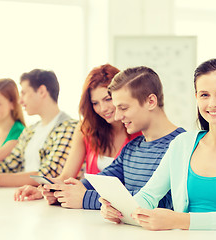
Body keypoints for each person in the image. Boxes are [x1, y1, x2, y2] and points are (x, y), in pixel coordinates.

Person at [101, 58, 216, 240]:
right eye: (204, 95)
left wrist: (179, 220)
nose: (213, 103)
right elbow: (148, 195)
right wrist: (120, 210)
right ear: (196, 98)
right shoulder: (182, 144)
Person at [39, 66, 185, 209]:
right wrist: (62, 191)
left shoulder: (183, 145)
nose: (117, 116)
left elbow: (163, 201)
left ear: (150, 102)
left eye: (123, 108)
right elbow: (101, 181)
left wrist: (85, 198)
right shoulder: (132, 148)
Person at [14, 64, 141, 201]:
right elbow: (66, 177)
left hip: (119, 211)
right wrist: (42, 190)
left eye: (107, 99)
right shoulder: (87, 129)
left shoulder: (139, 131)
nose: (103, 108)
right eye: (95, 103)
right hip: (86, 210)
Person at [0, 69, 79, 188]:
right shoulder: (30, 130)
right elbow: (9, 165)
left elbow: (47, 174)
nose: (20, 101)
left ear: (41, 91)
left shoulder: (68, 128)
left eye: (24, 93)